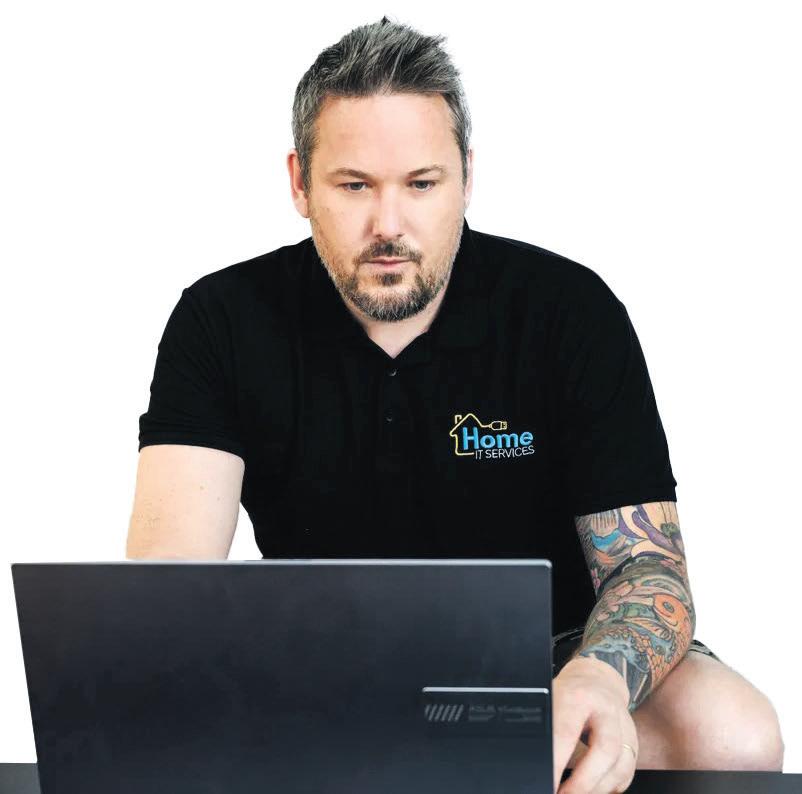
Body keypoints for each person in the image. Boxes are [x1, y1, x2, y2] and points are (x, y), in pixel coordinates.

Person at [127, 15, 784, 793]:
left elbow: (649, 569)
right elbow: (167, 594)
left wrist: (598, 678)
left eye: (421, 184)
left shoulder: (567, 312)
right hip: (320, 662)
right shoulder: (221, 321)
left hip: (551, 662)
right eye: (354, 186)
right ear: (299, 182)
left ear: (466, 177)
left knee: (731, 733)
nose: (389, 226)